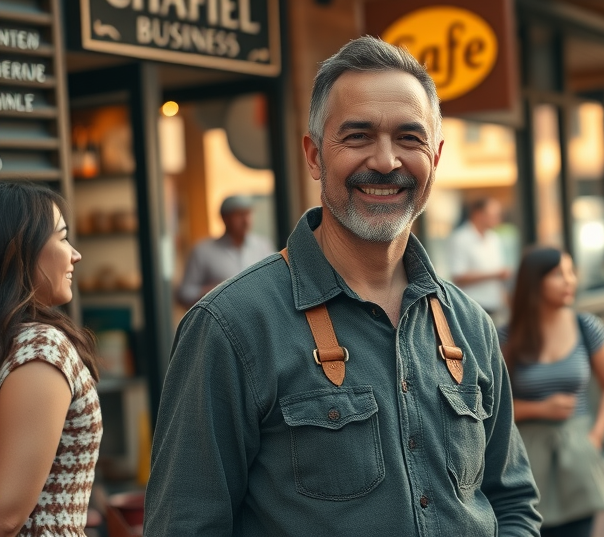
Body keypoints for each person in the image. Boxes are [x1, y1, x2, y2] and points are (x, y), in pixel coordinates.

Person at [145, 36, 541, 536]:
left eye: (408, 138)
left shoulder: (469, 325)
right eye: (357, 137)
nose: (386, 161)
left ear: (435, 159)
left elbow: (513, 503)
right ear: (313, 156)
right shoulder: (231, 328)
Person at [0, 183, 103, 536]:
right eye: (62, 238)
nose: (75, 255)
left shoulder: (22, 344)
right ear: (21, 249)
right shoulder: (42, 348)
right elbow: (6, 514)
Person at [500, 247, 604, 537]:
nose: (569, 281)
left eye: (571, 272)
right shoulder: (505, 337)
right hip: (526, 456)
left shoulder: (586, 326)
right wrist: (538, 409)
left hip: (577, 451)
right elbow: (491, 407)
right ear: (533, 282)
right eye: (558, 274)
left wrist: (597, 436)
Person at [176, 194, 276, 307]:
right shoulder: (203, 251)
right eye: (239, 214)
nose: (246, 221)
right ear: (225, 218)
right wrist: (213, 291)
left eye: (248, 213)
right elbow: (184, 294)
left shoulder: (263, 246)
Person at [448, 198, 510, 323]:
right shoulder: (460, 239)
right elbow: (458, 276)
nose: (498, 218)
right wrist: (495, 274)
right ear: (478, 214)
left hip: (496, 309)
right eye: (493, 214)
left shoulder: (494, 239)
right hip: (472, 309)